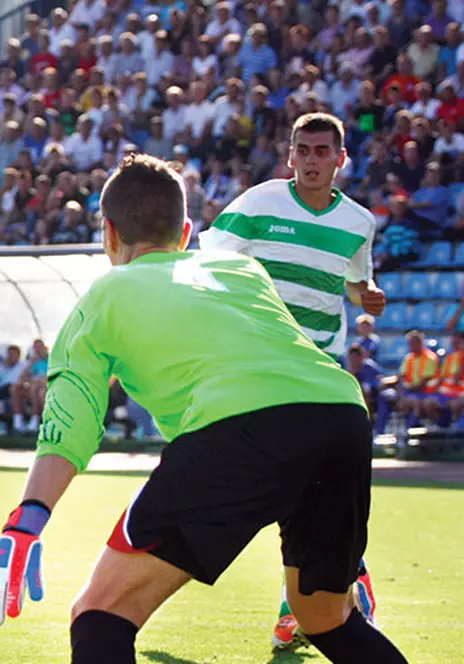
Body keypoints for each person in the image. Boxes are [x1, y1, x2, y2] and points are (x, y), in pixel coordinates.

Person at [0, 154, 409, 664]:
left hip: (240, 429)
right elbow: (285, 385)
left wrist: (26, 521)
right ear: (187, 230)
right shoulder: (242, 270)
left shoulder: (104, 295)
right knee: (325, 617)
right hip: (341, 414)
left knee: (103, 611)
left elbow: (71, 423)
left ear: (108, 233)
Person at [199, 112, 387, 649]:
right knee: (287, 487)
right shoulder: (258, 205)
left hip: (321, 370)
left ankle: (314, 595)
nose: (311, 159)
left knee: (293, 485)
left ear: (340, 159)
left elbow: (353, 282)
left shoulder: (358, 223)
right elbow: (207, 261)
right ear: (290, 156)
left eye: (321, 151)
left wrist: (365, 295)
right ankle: (336, 582)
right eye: (302, 149)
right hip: (260, 366)